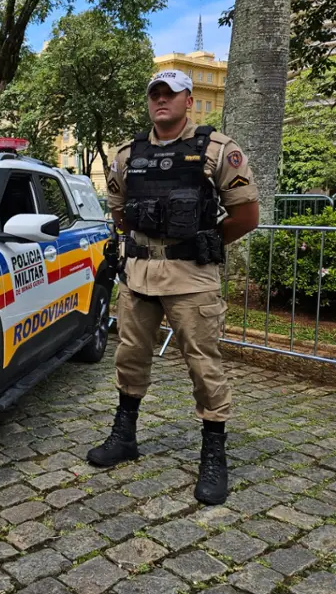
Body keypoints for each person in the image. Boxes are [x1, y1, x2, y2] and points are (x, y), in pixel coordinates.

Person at [88, 69, 259, 506]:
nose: (162, 100)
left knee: (204, 365)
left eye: (172, 93)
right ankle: (124, 436)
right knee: (129, 355)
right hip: (140, 276)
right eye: (155, 94)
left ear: (188, 100)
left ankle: (213, 454)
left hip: (192, 278)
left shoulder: (219, 150)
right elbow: (120, 211)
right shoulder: (127, 155)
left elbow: (246, 215)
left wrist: (206, 242)